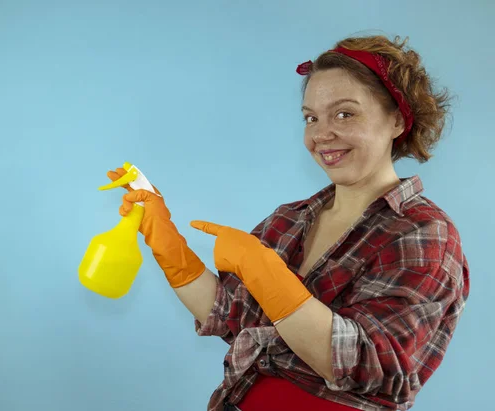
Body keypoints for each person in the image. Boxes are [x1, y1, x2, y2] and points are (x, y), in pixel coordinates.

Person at [106, 34, 470, 411]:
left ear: (396, 118)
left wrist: (265, 272)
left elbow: (374, 366)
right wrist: (166, 239)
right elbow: (230, 315)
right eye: (311, 117)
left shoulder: (422, 233)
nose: (320, 134)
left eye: (345, 113)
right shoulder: (289, 220)